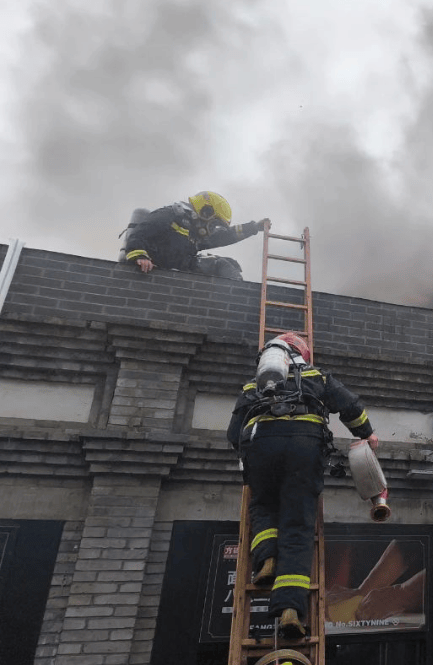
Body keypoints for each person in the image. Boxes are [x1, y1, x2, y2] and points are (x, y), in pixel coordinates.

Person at [226, 332, 377, 639]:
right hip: (304, 449)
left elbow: (233, 433)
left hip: (261, 446)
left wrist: (254, 457)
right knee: (297, 525)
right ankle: (290, 610)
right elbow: (351, 407)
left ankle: (267, 559)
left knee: (263, 504)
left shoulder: (253, 385)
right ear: (303, 355)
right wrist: (367, 433)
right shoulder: (316, 376)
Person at [122, 191, 268, 279]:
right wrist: (140, 256)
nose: (212, 229)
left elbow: (223, 236)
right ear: (206, 212)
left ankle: (235, 298)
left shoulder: (195, 232)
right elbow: (140, 233)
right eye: (214, 224)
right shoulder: (170, 215)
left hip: (180, 267)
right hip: (156, 264)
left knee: (224, 264)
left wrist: (253, 228)